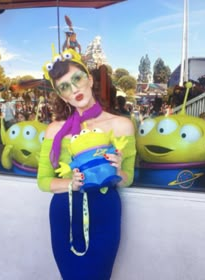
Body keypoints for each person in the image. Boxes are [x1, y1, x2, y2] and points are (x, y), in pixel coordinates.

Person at [37, 48, 136, 280]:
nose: (74, 89)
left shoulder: (122, 126)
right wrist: (70, 184)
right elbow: (42, 181)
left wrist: (117, 170)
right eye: (64, 86)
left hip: (104, 211)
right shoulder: (54, 131)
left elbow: (128, 179)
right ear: (62, 96)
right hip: (65, 213)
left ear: (89, 79)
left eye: (77, 79)